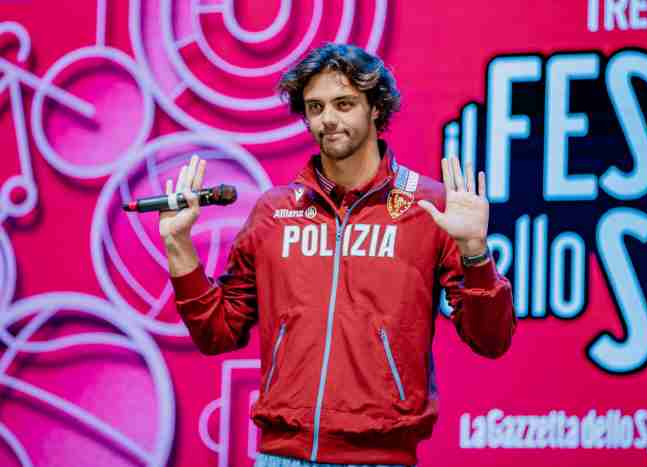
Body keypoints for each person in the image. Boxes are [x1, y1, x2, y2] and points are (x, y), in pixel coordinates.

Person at [161, 43, 516, 467]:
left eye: (344, 104)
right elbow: (217, 332)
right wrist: (179, 245)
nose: (328, 119)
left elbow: (491, 340)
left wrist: (475, 252)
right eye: (315, 107)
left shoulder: (428, 206)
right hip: (280, 456)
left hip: (380, 457)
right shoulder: (275, 212)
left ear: (376, 110)